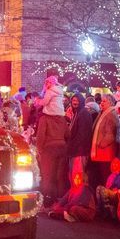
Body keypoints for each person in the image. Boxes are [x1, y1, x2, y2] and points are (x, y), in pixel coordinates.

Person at [35, 75, 68, 205]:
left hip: (49, 149)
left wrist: (39, 149)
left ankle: (46, 200)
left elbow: (41, 136)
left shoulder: (45, 119)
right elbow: (68, 133)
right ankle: (59, 199)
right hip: (62, 148)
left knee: (47, 174)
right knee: (58, 174)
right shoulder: (62, 118)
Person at [89, 94, 120, 189]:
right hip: (100, 153)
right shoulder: (103, 113)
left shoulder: (110, 114)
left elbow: (110, 135)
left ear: (110, 102)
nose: (101, 103)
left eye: (104, 101)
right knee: (100, 175)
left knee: (105, 175)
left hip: (105, 152)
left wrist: (100, 144)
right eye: (101, 101)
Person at [65, 92, 94, 189]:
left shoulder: (83, 114)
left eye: (77, 100)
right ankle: (75, 196)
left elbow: (82, 135)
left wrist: (74, 147)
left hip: (79, 151)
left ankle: (79, 198)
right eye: (73, 100)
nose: (75, 102)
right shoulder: (77, 113)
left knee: (78, 176)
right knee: (73, 175)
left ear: (81, 101)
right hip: (75, 151)